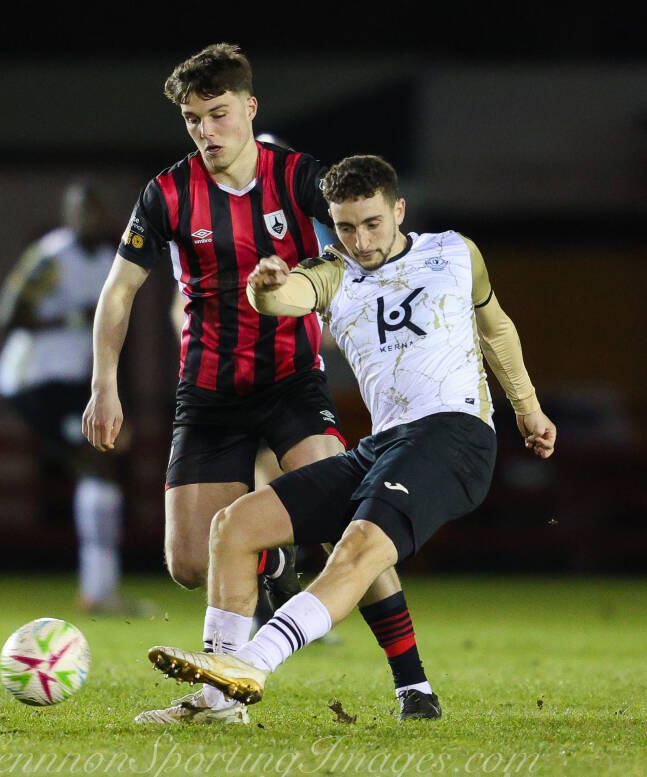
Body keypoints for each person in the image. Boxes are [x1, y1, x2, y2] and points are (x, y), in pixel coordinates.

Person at [82, 45, 437, 723]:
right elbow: (119, 292)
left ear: (248, 109)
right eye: (192, 120)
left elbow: (362, 246)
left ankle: (411, 683)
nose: (206, 131)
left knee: (350, 525)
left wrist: (325, 285)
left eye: (217, 114)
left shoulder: (299, 177)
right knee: (188, 562)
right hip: (209, 394)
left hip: (291, 385)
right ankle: (263, 581)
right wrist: (105, 384)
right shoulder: (166, 192)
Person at [147, 154, 557, 716]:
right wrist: (265, 288)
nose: (360, 240)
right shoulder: (334, 271)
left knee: (359, 547)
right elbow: (284, 298)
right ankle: (221, 699)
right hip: (385, 444)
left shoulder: (455, 252)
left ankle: (251, 662)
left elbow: (496, 326)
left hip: (455, 436)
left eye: (371, 223)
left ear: (399, 210)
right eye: (344, 226)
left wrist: (528, 409)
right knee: (234, 526)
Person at [0, 181, 149, 616]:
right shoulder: (50, 256)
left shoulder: (108, 261)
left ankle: (101, 590)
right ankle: (100, 591)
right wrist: (67, 318)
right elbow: (5, 316)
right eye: (81, 211)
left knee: (105, 458)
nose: (88, 219)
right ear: (67, 214)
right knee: (95, 460)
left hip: (75, 381)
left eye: (95, 211)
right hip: (33, 379)